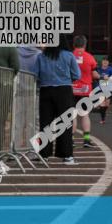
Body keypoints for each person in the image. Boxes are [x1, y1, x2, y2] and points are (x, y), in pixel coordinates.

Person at [30, 34, 80, 165]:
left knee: (45, 122)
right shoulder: (69, 56)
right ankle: (67, 156)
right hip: (64, 90)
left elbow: (35, 74)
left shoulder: (41, 56)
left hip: (46, 90)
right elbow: (77, 75)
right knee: (65, 123)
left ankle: (44, 155)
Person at [71, 35, 99, 149]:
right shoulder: (90, 57)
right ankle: (86, 140)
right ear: (85, 44)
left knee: (72, 116)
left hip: (71, 89)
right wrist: (101, 76)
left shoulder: (70, 56)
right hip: (85, 90)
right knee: (85, 115)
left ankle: (71, 140)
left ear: (74, 44)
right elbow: (95, 74)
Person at [96, 58, 112, 124]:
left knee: (107, 104)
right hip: (100, 88)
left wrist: (109, 78)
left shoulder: (110, 69)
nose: (105, 62)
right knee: (102, 104)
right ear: (102, 62)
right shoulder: (99, 69)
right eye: (104, 61)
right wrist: (101, 77)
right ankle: (103, 119)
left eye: (106, 61)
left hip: (108, 88)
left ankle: (104, 113)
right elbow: (95, 76)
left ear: (108, 62)